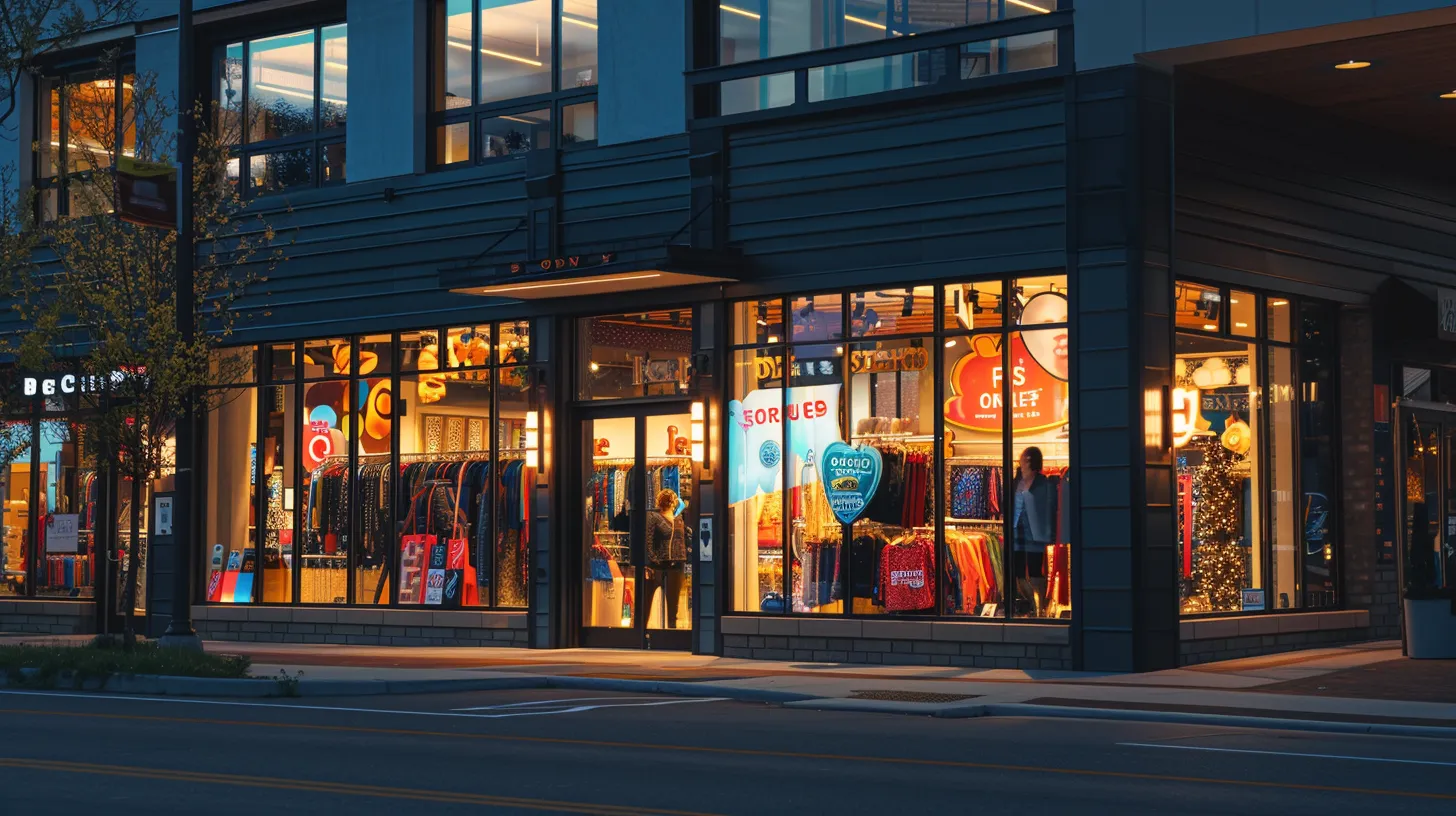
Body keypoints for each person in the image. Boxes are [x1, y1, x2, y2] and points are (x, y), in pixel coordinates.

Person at [1013, 447, 1056, 616]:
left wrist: (1050, 531)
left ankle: (1042, 608)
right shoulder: (1016, 481)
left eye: (1022, 457)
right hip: (1017, 532)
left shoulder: (1043, 482)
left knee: (1035, 571)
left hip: (1036, 533)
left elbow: (1050, 508)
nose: (1020, 460)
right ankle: (1033, 605)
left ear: (1029, 460)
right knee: (1018, 574)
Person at [645, 488, 687, 628]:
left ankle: (671, 632)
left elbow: (683, 541)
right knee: (646, 604)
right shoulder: (654, 517)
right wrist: (652, 559)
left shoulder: (679, 519)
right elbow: (648, 540)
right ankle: (641, 632)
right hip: (657, 566)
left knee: (672, 606)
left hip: (675, 565)